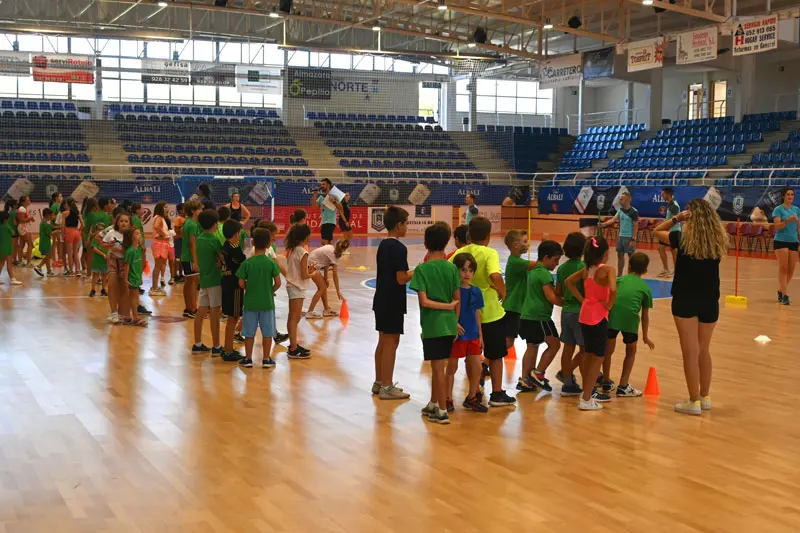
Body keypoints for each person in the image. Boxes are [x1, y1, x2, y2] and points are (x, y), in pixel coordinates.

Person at [654, 199, 726, 416]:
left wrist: (676, 218)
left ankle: (693, 400)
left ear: (690, 215)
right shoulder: (718, 239)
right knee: (703, 350)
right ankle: (704, 397)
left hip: (685, 298)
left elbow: (657, 231)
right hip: (710, 300)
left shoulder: (681, 237)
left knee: (690, 351)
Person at [450, 216, 514, 407]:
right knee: (495, 355)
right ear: (488, 236)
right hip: (491, 312)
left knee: (472, 354)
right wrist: (503, 291)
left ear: (468, 234)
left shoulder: (460, 252)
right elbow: (495, 275)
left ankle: (474, 391)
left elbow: (449, 270)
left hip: (467, 314)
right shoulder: (489, 253)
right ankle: (496, 393)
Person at [410, 222, 460, 425]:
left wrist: (446, 308)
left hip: (433, 325)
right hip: (449, 325)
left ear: (425, 244)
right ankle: (432, 402)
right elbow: (458, 298)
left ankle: (441, 410)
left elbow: (424, 301)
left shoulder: (422, 269)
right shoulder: (451, 268)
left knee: (438, 368)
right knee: (439, 365)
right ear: (447, 242)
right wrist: (455, 321)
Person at [566, 236, 617, 411]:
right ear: (604, 254)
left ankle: (586, 394)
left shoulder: (586, 270)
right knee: (598, 358)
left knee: (588, 355)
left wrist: (583, 299)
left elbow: (568, 282)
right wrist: (609, 305)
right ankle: (587, 398)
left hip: (585, 315)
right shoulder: (608, 270)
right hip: (598, 317)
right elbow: (613, 289)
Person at [372, 206, 413, 399]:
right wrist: (418, 271)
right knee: (391, 343)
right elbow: (401, 278)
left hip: (381, 298)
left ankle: (379, 382)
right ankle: (387, 387)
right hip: (392, 300)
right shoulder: (399, 248)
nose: (407, 227)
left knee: (383, 341)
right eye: (406, 223)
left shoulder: (382, 244)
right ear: (399, 225)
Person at [604, 252, 655, 397]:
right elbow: (645, 315)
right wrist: (645, 336)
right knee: (631, 351)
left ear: (629, 266)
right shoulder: (645, 288)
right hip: (630, 322)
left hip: (612, 318)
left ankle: (606, 381)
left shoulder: (618, 280)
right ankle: (623, 385)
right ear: (645, 271)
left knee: (608, 350)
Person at [518, 240, 563, 393]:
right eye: (555, 260)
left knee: (532, 347)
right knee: (555, 345)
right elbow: (551, 297)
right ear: (545, 257)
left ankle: (525, 380)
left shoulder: (533, 271)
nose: (556, 264)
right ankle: (538, 374)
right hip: (540, 317)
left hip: (526, 315)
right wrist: (570, 304)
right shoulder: (544, 274)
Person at [448, 253, 488, 413]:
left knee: (476, 366)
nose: (467, 274)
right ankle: (447, 398)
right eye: (463, 270)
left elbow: (477, 312)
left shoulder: (476, 291)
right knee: (451, 368)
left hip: (472, 334)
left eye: (470, 270)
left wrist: (480, 334)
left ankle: (471, 396)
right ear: (456, 270)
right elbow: (450, 309)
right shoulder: (452, 290)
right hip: (457, 334)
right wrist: (453, 324)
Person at [237, 228, 282, 369]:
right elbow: (278, 283)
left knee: (249, 333)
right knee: (267, 333)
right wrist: (270, 290)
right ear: (269, 244)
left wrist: (249, 289)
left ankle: (248, 358)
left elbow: (240, 282)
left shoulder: (247, 263)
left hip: (250, 303)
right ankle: (267, 359)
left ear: (253, 242)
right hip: (267, 303)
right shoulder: (271, 263)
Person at [555, 232, 587, 397]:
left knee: (568, 348)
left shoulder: (561, 268)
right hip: (581, 313)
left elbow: (558, 291)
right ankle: (590, 385)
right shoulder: (583, 268)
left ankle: (567, 382)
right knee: (585, 349)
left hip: (565, 312)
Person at [191, 209, 224, 356]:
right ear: (214, 224)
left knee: (201, 311)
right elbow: (222, 258)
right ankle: (217, 346)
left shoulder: (199, 239)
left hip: (204, 279)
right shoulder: (214, 240)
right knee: (215, 313)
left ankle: (197, 344)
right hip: (215, 280)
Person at [252, 219, 290, 345]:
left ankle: (274, 334)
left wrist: (288, 277)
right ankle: (239, 332)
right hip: (259, 287)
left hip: (267, 286)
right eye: (273, 235)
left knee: (267, 310)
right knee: (253, 311)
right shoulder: (255, 251)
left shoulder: (270, 248)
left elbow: (277, 263)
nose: (275, 238)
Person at [502, 230, 536, 351]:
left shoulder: (517, 261)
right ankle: (487, 361)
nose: (528, 244)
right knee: (508, 341)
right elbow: (539, 264)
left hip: (518, 307)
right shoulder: (516, 262)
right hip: (513, 307)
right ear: (515, 245)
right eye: (525, 241)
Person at [285, 223, 313, 359]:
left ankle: (293, 344)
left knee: (293, 317)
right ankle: (293, 348)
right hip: (297, 286)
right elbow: (304, 275)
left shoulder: (293, 249)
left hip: (293, 286)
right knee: (294, 317)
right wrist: (312, 273)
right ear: (306, 236)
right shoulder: (303, 252)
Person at [220, 219, 247, 362]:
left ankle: (227, 347)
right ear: (237, 233)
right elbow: (243, 262)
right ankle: (228, 350)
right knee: (233, 317)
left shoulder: (225, 245)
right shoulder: (234, 247)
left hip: (226, 281)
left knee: (232, 317)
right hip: (234, 284)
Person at [305, 239, 349, 319]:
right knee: (322, 287)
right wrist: (338, 291)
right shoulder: (334, 255)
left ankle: (326, 310)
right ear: (344, 250)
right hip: (311, 265)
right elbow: (335, 275)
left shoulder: (330, 247)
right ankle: (310, 312)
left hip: (311, 263)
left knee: (323, 286)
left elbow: (326, 264)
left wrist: (326, 279)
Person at [771, 186, 800, 305]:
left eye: (792, 194)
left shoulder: (797, 209)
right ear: (783, 196)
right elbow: (777, 226)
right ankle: (785, 295)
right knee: (784, 267)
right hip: (781, 241)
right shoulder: (778, 209)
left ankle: (781, 290)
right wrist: (787, 221)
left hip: (793, 241)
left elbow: (798, 228)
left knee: (792, 269)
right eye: (788, 194)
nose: (790, 196)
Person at [101, 210, 131, 324]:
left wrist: (122, 250)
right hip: (113, 262)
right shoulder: (111, 233)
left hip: (125, 263)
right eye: (121, 221)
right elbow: (103, 244)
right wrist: (111, 247)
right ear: (117, 222)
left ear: (129, 223)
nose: (123, 223)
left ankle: (123, 313)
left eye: (126, 221)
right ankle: (114, 312)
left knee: (124, 287)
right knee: (112, 285)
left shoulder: (130, 234)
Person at [599, 192, 638, 275]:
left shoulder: (633, 211)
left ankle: (630, 275)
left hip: (629, 237)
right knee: (620, 257)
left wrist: (633, 239)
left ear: (627, 200)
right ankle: (619, 275)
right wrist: (603, 224)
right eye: (620, 198)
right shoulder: (620, 210)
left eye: (622, 199)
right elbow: (613, 219)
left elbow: (635, 226)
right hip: (621, 237)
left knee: (631, 258)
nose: (620, 200)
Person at [180, 201, 203, 318]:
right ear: (193, 211)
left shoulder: (190, 222)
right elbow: (192, 243)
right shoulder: (192, 224)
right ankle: (193, 308)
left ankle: (188, 308)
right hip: (190, 257)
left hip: (186, 257)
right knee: (193, 283)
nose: (201, 211)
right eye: (199, 209)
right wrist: (195, 261)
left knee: (189, 282)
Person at [123, 227, 147, 327]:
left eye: (139, 233)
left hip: (137, 277)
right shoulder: (130, 251)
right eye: (136, 234)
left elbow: (140, 265)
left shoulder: (139, 250)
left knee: (134, 298)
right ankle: (135, 318)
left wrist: (140, 277)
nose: (139, 235)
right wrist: (125, 279)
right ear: (131, 237)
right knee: (134, 298)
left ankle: (128, 316)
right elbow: (127, 266)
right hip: (132, 277)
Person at [657, 187, 681, 278]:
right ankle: (666, 270)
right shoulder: (669, 204)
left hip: (674, 231)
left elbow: (675, 219)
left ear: (668, 194)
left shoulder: (674, 205)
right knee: (660, 247)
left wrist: (665, 225)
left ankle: (676, 271)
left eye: (663, 194)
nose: (661, 195)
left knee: (673, 250)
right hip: (668, 231)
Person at [150, 201, 171, 296]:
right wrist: (163, 235)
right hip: (159, 244)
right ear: (161, 208)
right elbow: (156, 227)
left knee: (159, 266)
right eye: (166, 207)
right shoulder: (158, 218)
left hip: (161, 244)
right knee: (158, 267)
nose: (168, 209)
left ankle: (155, 286)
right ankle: (154, 288)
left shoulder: (161, 218)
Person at [312, 178, 339, 245]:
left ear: (328, 185)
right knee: (327, 242)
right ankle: (331, 253)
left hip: (330, 221)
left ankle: (327, 254)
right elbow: (314, 206)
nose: (322, 186)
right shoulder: (321, 197)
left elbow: (340, 207)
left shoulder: (334, 195)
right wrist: (315, 195)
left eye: (324, 184)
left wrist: (334, 201)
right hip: (324, 221)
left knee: (324, 242)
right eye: (321, 184)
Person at [33, 208, 58, 280]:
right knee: (48, 257)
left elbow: (51, 227)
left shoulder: (43, 223)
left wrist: (58, 227)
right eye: (51, 216)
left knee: (47, 257)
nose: (52, 217)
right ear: (47, 215)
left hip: (43, 243)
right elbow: (50, 233)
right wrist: (56, 231)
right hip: (45, 244)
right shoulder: (45, 225)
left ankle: (48, 271)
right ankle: (40, 266)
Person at [61, 198, 82, 277]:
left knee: (70, 253)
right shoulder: (77, 212)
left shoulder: (65, 213)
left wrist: (63, 235)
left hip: (69, 232)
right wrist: (78, 231)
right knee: (76, 253)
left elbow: (63, 226)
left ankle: (71, 271)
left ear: (68, 204)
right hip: (76, 232)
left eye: (65, 204)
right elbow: (83, 224)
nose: (65, 205)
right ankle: (78, 270)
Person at [0, 212, 21, 285]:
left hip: (1, 248)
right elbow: (12, 233)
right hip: (7, 248)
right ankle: (12, 279)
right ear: (6, 219)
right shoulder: (7, 226)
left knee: (1, 264)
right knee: (9, 265)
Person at [89, 223, 108, 298]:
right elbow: (94, 248)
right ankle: (93, 290)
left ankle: (103, 290)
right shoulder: (95, 239)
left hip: (104, 261)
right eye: (99, 229)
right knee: (95, 275)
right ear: (96, 231)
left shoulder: (106, 239)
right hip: (97, 260)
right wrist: (103, 254)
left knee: (104, 276)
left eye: (102, 230)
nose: (100, 231)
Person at [16, 195, 33, 267]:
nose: (29, 201)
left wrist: (29, 218)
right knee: (30, 245)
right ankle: (28, 263)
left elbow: (22, 219)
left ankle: (20, 262)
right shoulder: (22, 208)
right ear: (24, 202)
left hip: (22, 227)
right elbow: (21, 220)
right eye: (28, 200)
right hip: (22, 228)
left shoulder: (23, 208)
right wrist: (30, 218)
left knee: (22, 245)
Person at [173, 202, 185, 283]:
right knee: (178, 258)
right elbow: (177, 230)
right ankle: (175, 275)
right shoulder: (178, 219)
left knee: (182, 258)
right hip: (178, 240)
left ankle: (181, 274)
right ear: (180, 210)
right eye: (184, 209)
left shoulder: (186, 218)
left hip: (183, 240)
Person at [50, 192, 63, 266]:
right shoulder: (54, 206)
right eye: (60, 196)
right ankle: (54, 259)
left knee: (59, 243)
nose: (61, 198)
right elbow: (52, 217)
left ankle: (59, 258)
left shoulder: (60, 205)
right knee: (56, 243)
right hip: (55, 226)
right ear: (56, 198)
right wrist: (60, 216)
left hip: (60, 226)